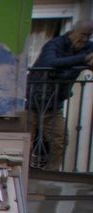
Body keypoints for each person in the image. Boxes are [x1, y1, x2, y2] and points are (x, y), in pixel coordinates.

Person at [28, 22, 93, 169]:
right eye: (82, 35)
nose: (84, 40)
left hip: (55, 102)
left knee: (60, 139)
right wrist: (83, 60)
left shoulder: (89, 47)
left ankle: (51, 173)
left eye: (89, 36)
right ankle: (24, 170)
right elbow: (49, 62)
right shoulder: (55, 44)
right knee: (26, 139)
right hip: (33, 101)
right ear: (72, 33)